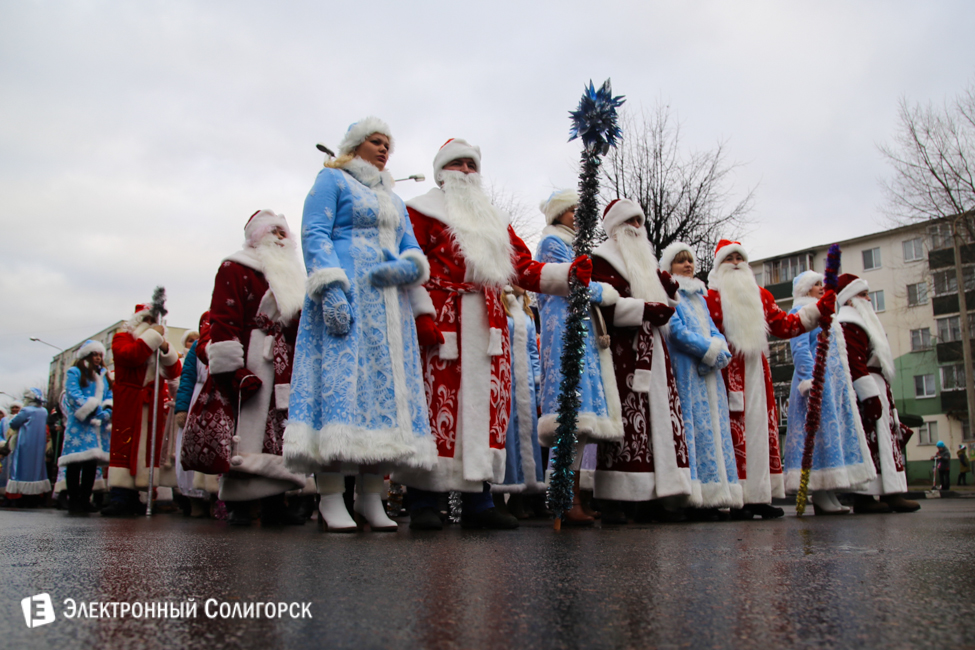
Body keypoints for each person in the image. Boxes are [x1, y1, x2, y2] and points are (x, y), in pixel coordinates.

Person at [394, 138, 590, 530]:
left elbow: (523, 267)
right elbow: (407, 262)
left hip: (488, 324)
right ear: (442, 172)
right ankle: (423, 498)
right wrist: (420, 314)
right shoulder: (419, 211)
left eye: (472, 165)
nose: (467, 170)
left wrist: (566, 276)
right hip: (443, 318)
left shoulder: (495, 220)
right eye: (458, 164)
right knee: (437, 409)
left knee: (487, 410)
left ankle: (477, 497)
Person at [284, 117, 436, 533]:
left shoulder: (394, 200)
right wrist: (331, 287)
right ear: (356, 145)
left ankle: (372, 497)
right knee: (341, 389)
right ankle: (331, 496)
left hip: (389, 311)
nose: (385, 149)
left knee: (381, 398)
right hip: (348, 298)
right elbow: (314, 233)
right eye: (376, 141)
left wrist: (408, 268)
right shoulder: (332, 180)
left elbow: (410, 246)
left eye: (389, 144)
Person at [193, 210, 309, 526]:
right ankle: (240, 504)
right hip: (251, 360)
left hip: (284, 365)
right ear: (257, 235)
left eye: (285, 232)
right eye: (274, 231)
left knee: (279, 432)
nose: (281, 238)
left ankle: (275, 501)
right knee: (244, 434)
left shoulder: (293, 277)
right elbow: (223, 319)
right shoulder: (235, 266)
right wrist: (232, 369)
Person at [706, 240, 834, 519]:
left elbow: (785, 325)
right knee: (730, 435)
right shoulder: (709, 298)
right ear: (719, 265)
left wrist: (818, 309)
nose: (737, 262)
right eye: (730, 258)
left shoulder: (762, 296)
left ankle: (758, 497)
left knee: (760, 433)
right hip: (726, 373)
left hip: (757, 373)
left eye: (741, 257)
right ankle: (734, 498)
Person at [589, 199, 691, 523]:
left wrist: (666, 293)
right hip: (623, 352)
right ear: (615, 228)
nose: (636, 227)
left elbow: (665, 299)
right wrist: (646, 310)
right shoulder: (602, 259)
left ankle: (654, 496)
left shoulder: (645, 260)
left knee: (657, 421)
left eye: (639, 221)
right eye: (629, 222)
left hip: (655, 351)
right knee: (630, 424)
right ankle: (615, 499)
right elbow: (603, 306)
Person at [535, 190, 623, 525]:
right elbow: (572, 282)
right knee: (568, 420)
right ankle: (563, 498)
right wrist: (605, 291)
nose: (576, 214)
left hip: (581, 334)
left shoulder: (574, 243)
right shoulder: (551, 243)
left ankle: (572, 497)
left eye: (579, 209)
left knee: (580, 421)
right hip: (565, 335)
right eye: (571, 210)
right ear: (557, 214)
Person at [781, 271, 875, 515]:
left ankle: (830, 487)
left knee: (832, 436)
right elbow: (800, 349)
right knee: (818, 437)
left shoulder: (826, 314)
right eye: (816, 284)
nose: (822, 287)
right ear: (805, 289)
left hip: (832, 386)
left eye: (822, 283)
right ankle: (819, 491)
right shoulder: (800, 313)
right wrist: (808, 381)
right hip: (815, 384)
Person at [659, 241, 741, 517]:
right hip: (686, 371)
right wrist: (709, 350)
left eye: (690, 260)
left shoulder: (699, 298)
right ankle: (692, 496)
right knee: (693, 430)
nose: (688, 265)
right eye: (681, 261)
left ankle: (714, 494)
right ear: (669, 267)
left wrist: (720, 350)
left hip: (709, 375)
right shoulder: (672, 295)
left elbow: (715, 330)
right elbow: (677, 331)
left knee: (714, 431)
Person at [833, 274, 919, 513]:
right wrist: (869, 396)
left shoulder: (863, 322)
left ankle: (891, 492)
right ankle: (866, 496)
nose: (868, 299)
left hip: (878, 386)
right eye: (863, 295)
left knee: (886, 443)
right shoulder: (850, 324)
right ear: (850, 300)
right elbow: (855, 363)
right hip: (866, 389)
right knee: (871, 443)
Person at [102, 303, 182, 516]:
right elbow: (131, 356)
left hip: (151, 401)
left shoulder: (156, 343)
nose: (150, 326)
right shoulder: (122, 338)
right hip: (130, 398)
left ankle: (138, 494)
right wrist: (154, 337)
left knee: (147, 447)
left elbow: (174, 370)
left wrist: (165, 348)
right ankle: (119, 495)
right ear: (138, 321)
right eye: (147, 321)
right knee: (125, 443)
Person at [492, 285, 547, 517]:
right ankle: (497, 496)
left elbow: (533, 353)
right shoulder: (498, 305)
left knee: (526, 438)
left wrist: (536, 384)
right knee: (505, 438)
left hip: (524, 384)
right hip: (504, 377)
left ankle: (519, 496)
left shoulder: (527, 312)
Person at [59, 340, 113, 514]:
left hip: (97, 426)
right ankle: (73, 500)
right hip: (80, 424)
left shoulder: (104, 375)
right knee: (75, 462)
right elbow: (73, 395)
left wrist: (107, 411)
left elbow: (110, 395)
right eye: (94, 354)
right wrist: (92, 409)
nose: (97, 358)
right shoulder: (74, 372)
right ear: (86, 355)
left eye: (100, 355)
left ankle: (85, 499)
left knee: (91, 464)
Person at [4, 389, 52, 505]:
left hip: (25, 444)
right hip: (39, 445)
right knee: (37, 468)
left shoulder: (26, 410)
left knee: (21, 468)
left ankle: (21, 496)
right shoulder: (44, 411)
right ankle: (35, 497)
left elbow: (13, 423)